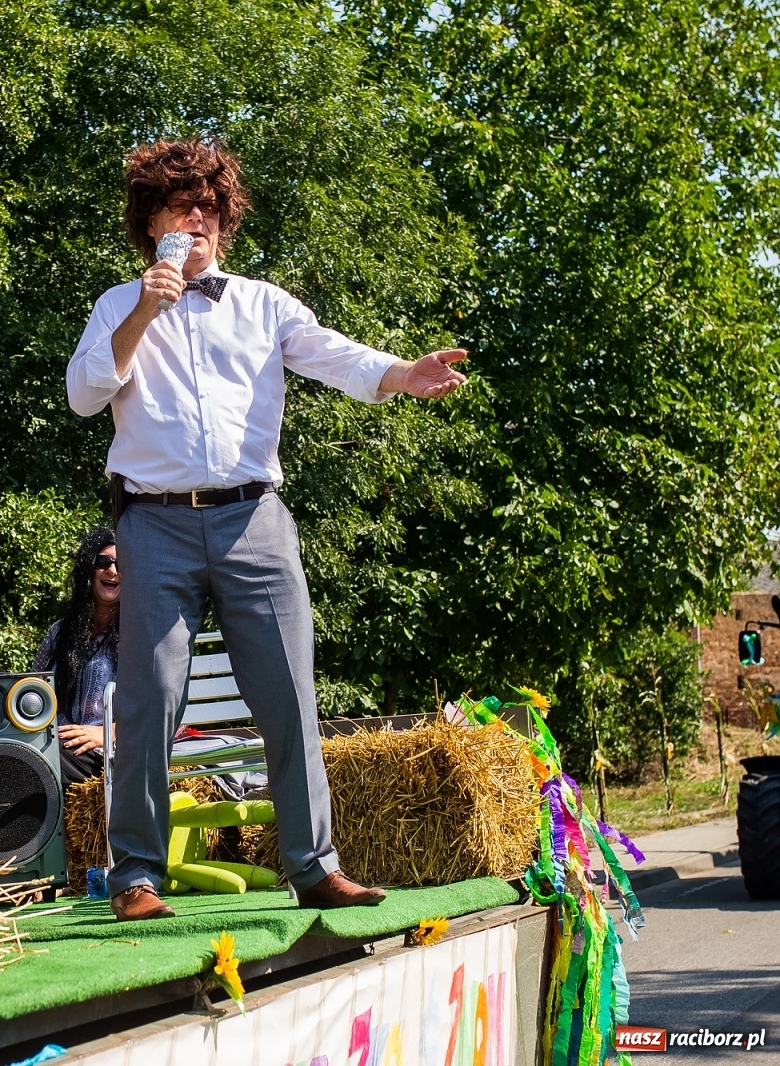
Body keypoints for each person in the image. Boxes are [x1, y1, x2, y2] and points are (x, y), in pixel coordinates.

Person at [67, 138, 468, 920]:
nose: (200, 219)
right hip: (155, 522)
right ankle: (136, 878)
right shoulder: (118, 306)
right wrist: (147, 309)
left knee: (287, 693)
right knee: (151, 696)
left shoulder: (261, 302)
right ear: (151, 223)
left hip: (257, 518)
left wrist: (400, 373)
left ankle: (315, 867)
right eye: (183, 206)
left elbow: (334, 356)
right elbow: (85, 394)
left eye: (211, 207)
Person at [32, 528, 120, 785]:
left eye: (122, 564)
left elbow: (154, 708)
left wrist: (107, 733)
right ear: (88, 570)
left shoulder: (139, 635)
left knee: (39, 764)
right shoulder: (61, 631)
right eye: (103, 562)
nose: (112, 571)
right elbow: (34, 686)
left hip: (106, 751)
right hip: (55, 740)